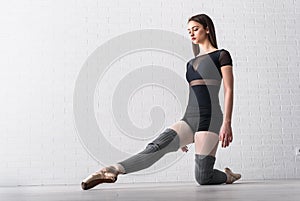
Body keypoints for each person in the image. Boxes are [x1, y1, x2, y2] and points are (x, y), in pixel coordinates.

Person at [81, 13, 241, 190]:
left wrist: (227, 123)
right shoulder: (190, 63)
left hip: (210, 120)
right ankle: (112, 169)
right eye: (189, 31)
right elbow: (194, 95)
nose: (192, 34)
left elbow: (229, 89)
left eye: (195, 29)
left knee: (203, 177)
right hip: (188, 119)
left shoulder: (221, 55)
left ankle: (227, 176)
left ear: (207, 29)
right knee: (156, 147)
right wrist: (184, 133)